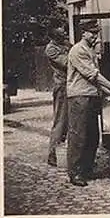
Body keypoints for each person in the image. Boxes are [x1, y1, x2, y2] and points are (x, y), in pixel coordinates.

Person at [66, 19, 110, 187]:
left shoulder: (89, 50)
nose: (96, 37)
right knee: (79, 135)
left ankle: (86, 168)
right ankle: (75, 172)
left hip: (91, 96)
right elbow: (93, 75)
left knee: (92, 136)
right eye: (92, 33)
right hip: (80, 97)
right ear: (84, 33)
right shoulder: (78, 50)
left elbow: (95, 80)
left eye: (96, 33)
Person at [45, 27, 72, 167]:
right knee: (60, 121)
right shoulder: (51, 49)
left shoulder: (66, 44)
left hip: (71, 85)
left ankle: (68, 154)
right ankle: (53, 154)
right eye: (62, 32)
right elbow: (68, 62)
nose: (65, 34)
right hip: (62, 86)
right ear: (54, 35)